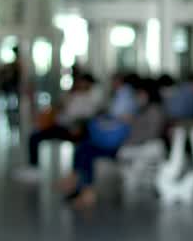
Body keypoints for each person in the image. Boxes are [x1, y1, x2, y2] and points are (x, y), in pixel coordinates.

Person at [63, 77, 166, 209]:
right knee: (85, 147)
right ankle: (80, 186)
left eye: (139, 93)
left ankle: (84, 189)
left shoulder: (154, 111)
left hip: (128, 147)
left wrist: (127, 132)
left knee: (87, 151)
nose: (137, 96)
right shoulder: (144, 109)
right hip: (125, 144)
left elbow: (148, 134)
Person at [12, 72, 101, 183]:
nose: (80, 84)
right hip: (61, 125)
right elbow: (61, 108)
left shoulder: (92, 99)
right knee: (34, 136)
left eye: (82, 82)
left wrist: (76, 125)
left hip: (74, 129)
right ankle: (34, 167)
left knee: (81, 148)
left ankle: (76, 175)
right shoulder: (74, 95)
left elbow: (87, 117)